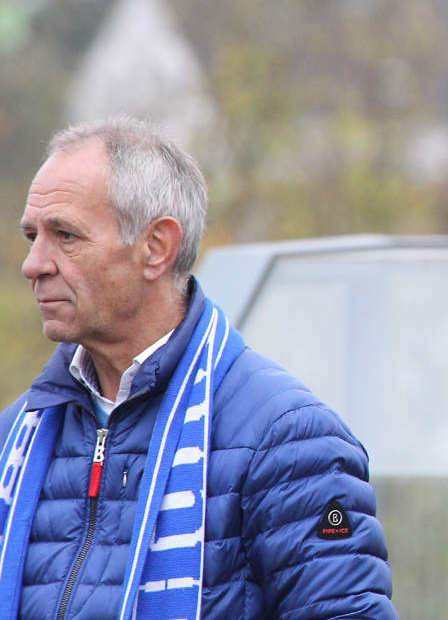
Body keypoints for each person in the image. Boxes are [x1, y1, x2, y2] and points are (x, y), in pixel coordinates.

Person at [0, 116, 397, 619]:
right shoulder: (16, 440)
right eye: (32, 236)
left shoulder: (287, 439)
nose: (34, 264)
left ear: (156, 247)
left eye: (65, 235)